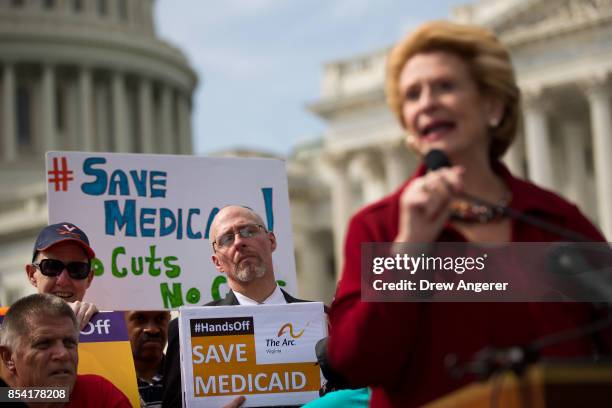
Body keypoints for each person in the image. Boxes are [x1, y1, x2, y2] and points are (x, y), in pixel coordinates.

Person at [326, 21, 610, 407]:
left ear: (491, 105)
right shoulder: (380, 225)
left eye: (445, 86)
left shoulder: (554, 219)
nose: (426, 103)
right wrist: (409, 248)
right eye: (413, 95)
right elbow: (356, 362)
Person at [162, 205, 307, 407]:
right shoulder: (186, 330)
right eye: (227, 239)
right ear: (217, 262)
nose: (239, 242)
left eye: (248, 231)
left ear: (271, 241)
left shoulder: (320, 319)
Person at [0, 293, 131, 407]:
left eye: (69, 343)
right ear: (8, 358)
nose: (63, 354)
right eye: (44, 343)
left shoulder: (99, 393)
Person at [25, 222, 98, 329]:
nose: (63, 281)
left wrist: (99, 322)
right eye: (51, 267)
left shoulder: (106, 329)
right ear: (32, 274)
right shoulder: (9, 330)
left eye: (77, 269)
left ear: (89, 278)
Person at [125, 310, 171, 408]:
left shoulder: (188, 379)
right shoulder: (106, 383)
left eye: (161, 318)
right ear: (120, 322)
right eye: (140, 318)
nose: (152, 329)